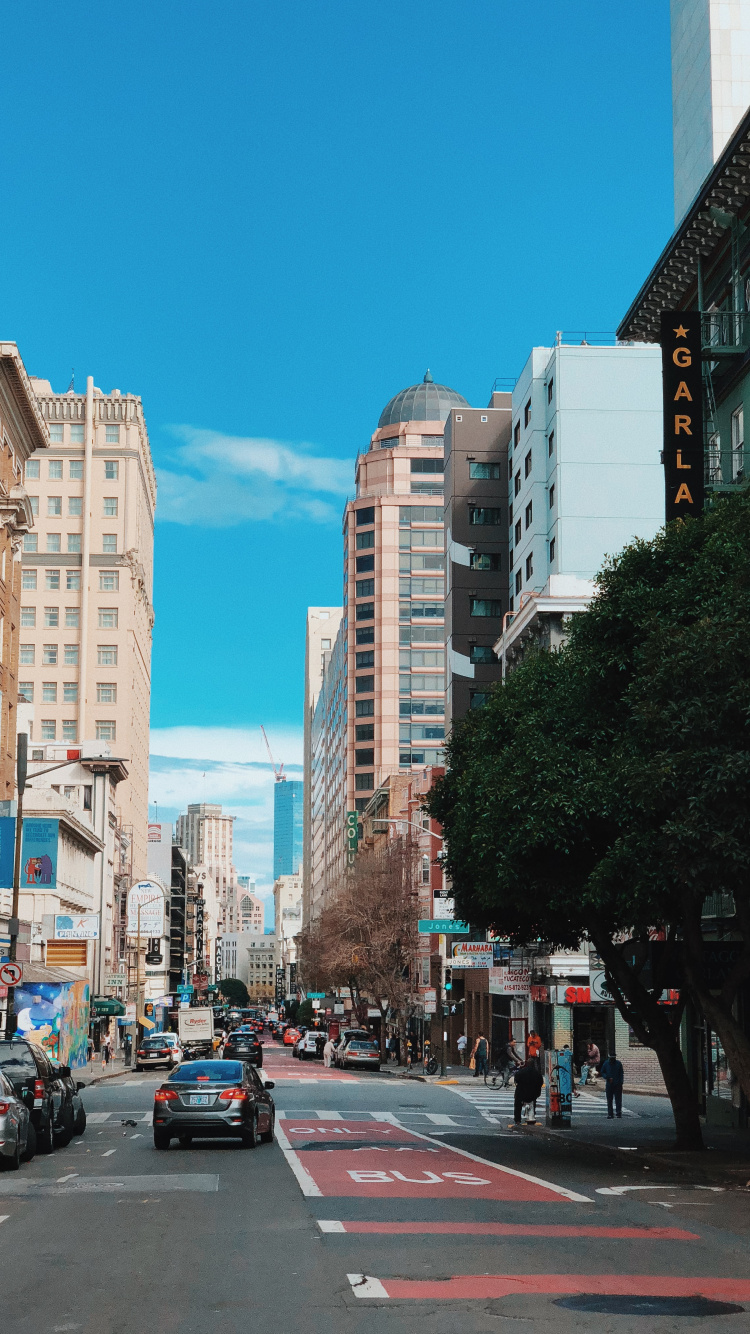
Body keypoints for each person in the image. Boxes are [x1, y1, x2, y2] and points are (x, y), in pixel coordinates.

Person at [513, 1058, 544, 1125]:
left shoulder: (521, 1072)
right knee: (533, 1101)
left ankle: (517, 1120)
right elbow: (540, 1083)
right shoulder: (537, 1073)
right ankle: (532, 1115)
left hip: (521, 1094)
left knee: (517, 1105)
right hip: (533, 1094)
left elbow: (516, 1080)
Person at [600, 1052, 625, 1118]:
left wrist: (621, 1082)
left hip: (617, 1084)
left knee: (618, 1099)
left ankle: (618, 1112)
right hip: (609, 1084)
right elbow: (602, 1072)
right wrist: (607, 1077)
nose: (612, 1059)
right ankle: (610, 1113)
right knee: (609, 1099)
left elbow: (621, 1073)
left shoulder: (618, 1063)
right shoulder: (606, 1063)